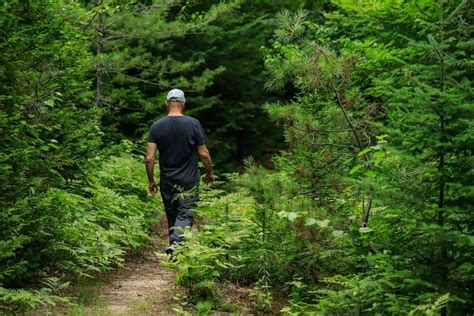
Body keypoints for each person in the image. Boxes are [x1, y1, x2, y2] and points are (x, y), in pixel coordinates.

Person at [145, 88, 215, 254]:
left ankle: (175, 251)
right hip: (189, 180)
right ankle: (176, 245)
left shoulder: (156, 126)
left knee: (172, 215)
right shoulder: (193, 124)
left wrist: (151, 180)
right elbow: (204, 153)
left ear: (166, 103)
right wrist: (209, 173)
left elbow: (149, 158)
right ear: (183, 103)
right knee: (186, 213)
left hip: (167, 180)